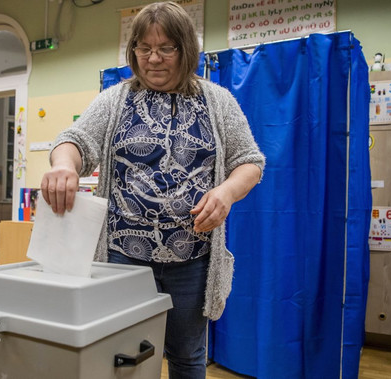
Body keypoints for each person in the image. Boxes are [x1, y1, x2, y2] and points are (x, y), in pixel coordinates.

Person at [41, 2, 265, 378]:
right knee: (121, 354)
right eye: (144, 49)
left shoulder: (217, 101)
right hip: (124, 257)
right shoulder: (116, 99)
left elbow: (250, 162)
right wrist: (64, 165)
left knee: (187, 356)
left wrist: (225, 193)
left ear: (186, 50)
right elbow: (75, 140)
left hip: (192, 259)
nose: (153, 59)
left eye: (166, 48)